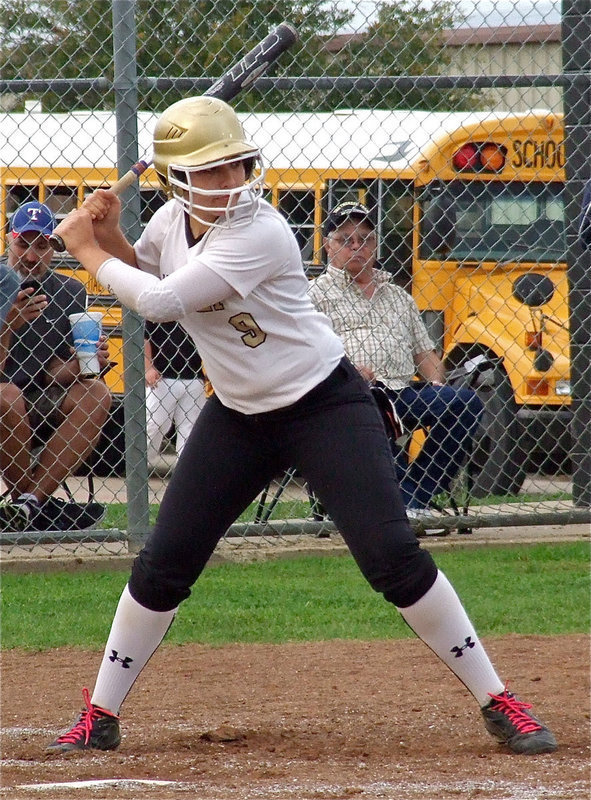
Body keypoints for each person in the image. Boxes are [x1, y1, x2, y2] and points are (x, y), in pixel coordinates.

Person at [45, 96, 555, 756]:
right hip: (238, 415)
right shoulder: (172, 221)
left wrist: (84, 246)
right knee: (164, 561)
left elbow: (165, 304)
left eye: (234, 166)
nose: (227, 182)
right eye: (209, 171)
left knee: (391, 558)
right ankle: (99, 715)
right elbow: (145, 271)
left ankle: (497, 699)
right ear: (176, 180)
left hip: (323, 406)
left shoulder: (260, 230)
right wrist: (108, 233)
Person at [308, 201, 484, 527]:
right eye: (346, 239)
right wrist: (346, 371)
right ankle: (398, 501)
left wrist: (437, 383)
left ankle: (417, 492)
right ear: (328, 246)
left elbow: (425, 354)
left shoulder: (398, 296)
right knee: (370, 412)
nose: (356, 246)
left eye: (365, 239)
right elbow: (306, 356)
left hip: (402, 391)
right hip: (350, 397)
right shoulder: (313, 296)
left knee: (464, 402)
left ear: (375, 244)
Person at [0, 201, 112, 532]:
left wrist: (86, 362)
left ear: (53, 248)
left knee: (95, 392)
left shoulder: (68, 291)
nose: (31, 256)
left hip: (37, 398)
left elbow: (50, 372)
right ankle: (38, 508)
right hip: (3, 397)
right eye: (23, 244)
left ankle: (29, 504)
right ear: (9, 239)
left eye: (42, 245)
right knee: (7, 395)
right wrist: (7, 326)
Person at [144, 319, 205, 468]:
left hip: (195, 376)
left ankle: (186, 469)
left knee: (190, 428)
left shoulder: (197, 306)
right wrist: (148, 367)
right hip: (163, 376)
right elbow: (145, 336)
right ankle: (139, 463)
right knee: (155, 423)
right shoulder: (160, 305)